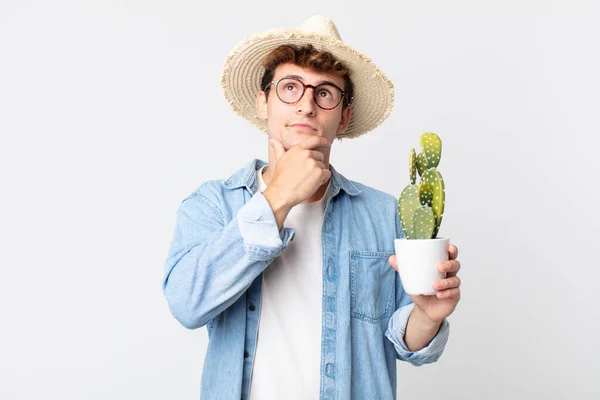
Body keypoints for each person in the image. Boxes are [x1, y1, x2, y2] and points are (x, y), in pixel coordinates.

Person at [162, 15, 462, 400]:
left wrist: (428, 315)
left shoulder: (384, 214)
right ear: (262, 102)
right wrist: (279, 196)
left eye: (324, 93)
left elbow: (406, 342)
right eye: (290, 88)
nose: (306, 105)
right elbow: (187, 304)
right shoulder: (213, 204)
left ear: (344, 116)